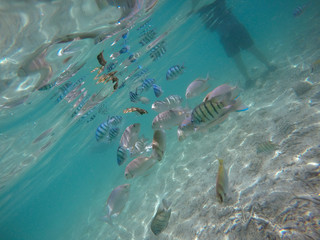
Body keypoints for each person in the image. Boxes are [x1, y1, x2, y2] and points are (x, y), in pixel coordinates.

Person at [188, 0, 275, 88]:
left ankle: (267, 65)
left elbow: (210, 26)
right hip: (227, 34)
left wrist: (197, 12)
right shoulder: (206, 10)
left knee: (250, 50)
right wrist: (195, 11)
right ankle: (249, 78)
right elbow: (209, 27)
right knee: (238, 57)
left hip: (235, 30)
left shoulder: (214, 5)